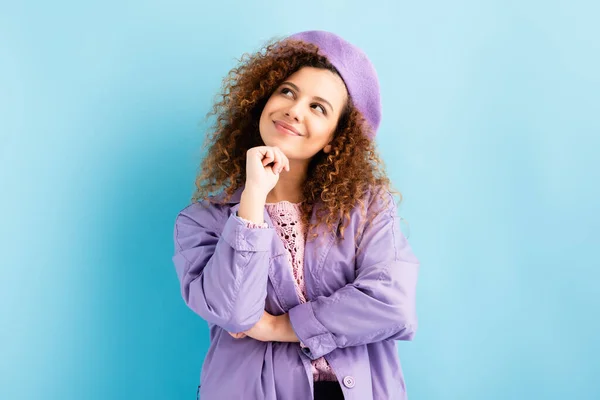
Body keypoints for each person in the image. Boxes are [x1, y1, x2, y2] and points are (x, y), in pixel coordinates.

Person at [172, 30, 420, 400]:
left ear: (336, 137)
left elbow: (392, 304)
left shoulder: (368, 206)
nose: (294, 109)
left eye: (318, 107)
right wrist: (253, 196)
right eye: (287, 92)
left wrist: (278, 326)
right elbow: (235, 313)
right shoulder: (201, 221)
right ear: (263, 100)